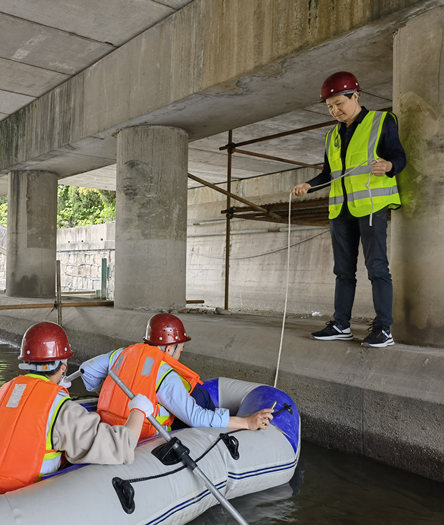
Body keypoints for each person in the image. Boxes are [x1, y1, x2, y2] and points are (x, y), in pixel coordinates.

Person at [0, 321, 153, 497]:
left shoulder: (7, 391)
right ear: (63, 367)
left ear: (26, 362)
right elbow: (121, 447)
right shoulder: (63, 410)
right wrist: (138, 410)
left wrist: (54, 390)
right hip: (14, 503)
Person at [291, 71, 406, 348]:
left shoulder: (381, 121)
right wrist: (309, 184)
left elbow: (399, 156)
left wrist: (389, 166)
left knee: (377, 268)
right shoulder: (332, 135)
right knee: (343, 271)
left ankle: (383, 329)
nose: (335, 110)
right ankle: (341, 324)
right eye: (330, 106)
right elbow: (330, 174)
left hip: (370, 206)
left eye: (339, 103)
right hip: (340, 211)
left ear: (356, 96)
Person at [79, 313, 274, 441]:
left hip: (108, 430)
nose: (180, 354)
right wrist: (247, 422)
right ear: (170, 348)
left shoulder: (120, 354)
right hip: (142, 439)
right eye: (180, 349)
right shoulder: (165, 375)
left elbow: (86, 371)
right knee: (199, 395)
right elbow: (196, 418)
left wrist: (113, 393)